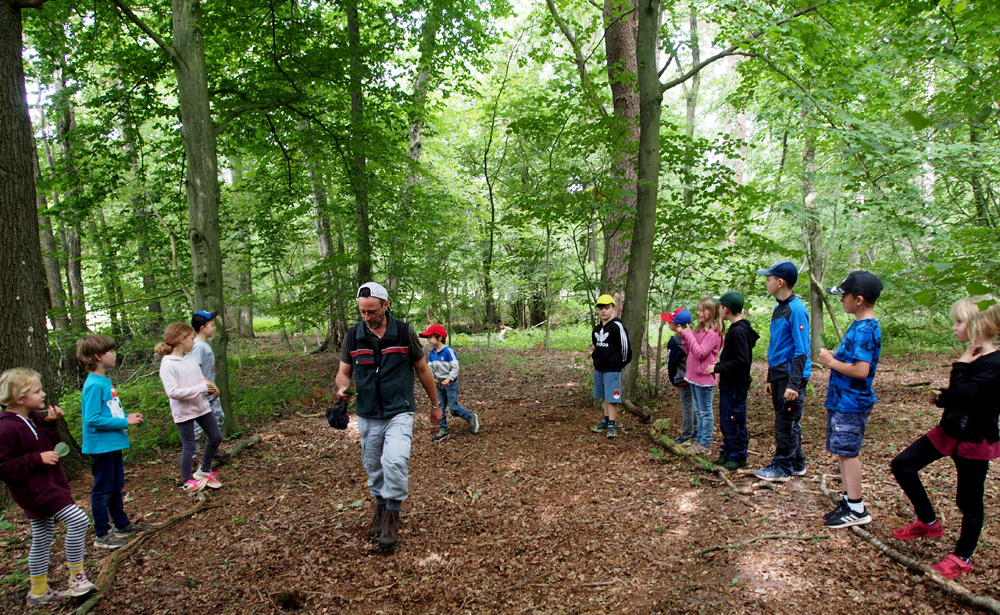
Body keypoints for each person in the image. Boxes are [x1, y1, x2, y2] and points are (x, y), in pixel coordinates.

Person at [890, 299, 1000, 578]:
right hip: (949, 432)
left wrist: (960, 365)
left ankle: (962, 556)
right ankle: (928, 522)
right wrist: (944, 399)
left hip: (974, 440)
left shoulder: (995, 363)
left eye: (960, 322)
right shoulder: (974, 357)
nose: (954, 327)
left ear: (982, 325)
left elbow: (970, 395)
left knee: (969, 501)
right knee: (902, 465)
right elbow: (963, 396)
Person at [336, 282, 442, 551]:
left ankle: (392, 516)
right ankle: (381, 507)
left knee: (394, 460)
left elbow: (423, 370)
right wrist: (342, 388)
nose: (367, 317)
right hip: (368, 413)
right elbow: (343, 372)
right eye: (362, 312)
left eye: (372, 311)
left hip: (399, 410)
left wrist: (435, 404)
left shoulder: (403, 332)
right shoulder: (352, 336)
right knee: (373, 465)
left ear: (385, 305)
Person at [0, 368, 98, 605]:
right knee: (79, 520)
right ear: (19, 397)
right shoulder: (6, 427)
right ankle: (77, 578)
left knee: (43, 536)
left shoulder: (32, 418)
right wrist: (37, 459)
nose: (43, 394)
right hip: (36, 491)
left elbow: (51, 448)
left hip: (50, 484)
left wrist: (52, 426)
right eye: (37, 391)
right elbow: (3, 466)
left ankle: (38, 591)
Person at [817, 272, 883, 528]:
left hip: (852, 402)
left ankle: (857, 507)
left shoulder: (867, 329)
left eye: (844, 296)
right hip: (842, 400)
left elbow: (862, 370)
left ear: (858, 299)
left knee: (848, 453)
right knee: (842, 452)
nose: (841, 300)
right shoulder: (859, 326)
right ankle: (848, 500)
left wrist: (832, 362)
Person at [77, 334, 148, 549]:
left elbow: (109, 411)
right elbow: (93, 419)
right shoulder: (94, 385)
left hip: (113, 443)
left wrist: (127, 417)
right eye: (110, 351)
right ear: (98, 356)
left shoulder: (104, 381)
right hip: (102, 445)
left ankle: (121, 525)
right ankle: (102, 533)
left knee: (116, 486)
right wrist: (123, 421)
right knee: (103, 488)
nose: (115, 354)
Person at [753, 261, 811, 482]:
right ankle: (797, 463)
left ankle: (782, 468)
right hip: (778, 373)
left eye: (769, 279)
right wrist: (770, 376)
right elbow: (776, 346)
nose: (766, 283)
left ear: (780, 282)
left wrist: (793, 384)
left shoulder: (797, 310)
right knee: (785, 419)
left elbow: (801, 350)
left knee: (785, 422)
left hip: (790, 376)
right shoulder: (779, 309)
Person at [155, 323, 223, 493]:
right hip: (183, 411)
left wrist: (209, 386)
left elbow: (199, 378)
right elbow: (173, 392)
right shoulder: (168, 364)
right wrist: (200, 389)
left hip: (201, 406)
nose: (194, 342)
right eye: (191, 338)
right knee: (189, 446)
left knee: (215, 436)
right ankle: (187, 481)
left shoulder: (191, 358)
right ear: (181, 340)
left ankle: (204, 471)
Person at [707, 292, 759, 471]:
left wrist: (718, 368)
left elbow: (741, 361)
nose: (719, 310)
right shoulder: (735, 329)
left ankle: (738, 456)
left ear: (726, 309)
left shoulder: (739, 331)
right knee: (726, 421)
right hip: (729, 385)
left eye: (720, 306)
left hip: (736, 385)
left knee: (734, 420)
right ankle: (728, 451)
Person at [679, 298, 725, 456]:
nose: (698, 313)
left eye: (702, 310)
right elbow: (690, 351)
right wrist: (685, 338)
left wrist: (689, 335)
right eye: (698, 310)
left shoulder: (713, 334)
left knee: (705, 412)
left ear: (712, 312)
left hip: (704, 378)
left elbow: (700, 353)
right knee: (698, 411)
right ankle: (698, 441)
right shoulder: (699, 330)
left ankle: (705, 444)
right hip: (693, 376)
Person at [420, 324, 480, 442]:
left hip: (450, 385)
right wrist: (432, 379)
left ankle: (471, 417)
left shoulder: (448, 351)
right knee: (439, 407)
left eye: (430, 337)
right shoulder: (432, 352)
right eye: (427, 338)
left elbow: (455, 367)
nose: (428, 340)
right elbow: (430, 368)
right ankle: (443, 430)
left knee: (453, 409)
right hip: (439, 385)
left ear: (439, 338)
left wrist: (449, 378)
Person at [189, 311, 231, 466]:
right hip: (201, 394)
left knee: (218, 419)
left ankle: (213, 452)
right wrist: (211, 386)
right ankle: (192, 460)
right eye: (212, 325)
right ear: (202, 328)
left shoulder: (204, 345)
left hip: (210, 394)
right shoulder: (197, 347)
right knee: (197, 429)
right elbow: (194, 371)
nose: (214, 328)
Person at [590, 294, 632, 439]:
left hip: (613, 368)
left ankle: (612, 423)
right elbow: (597, 346)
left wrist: (622, 362)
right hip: (600, 367)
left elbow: (625, 347)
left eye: (607, 308)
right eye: (601, 308)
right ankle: (606, 419)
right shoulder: (597, 329)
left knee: (612, 396)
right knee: (604, 395)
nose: (603, 311)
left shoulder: (617, 326)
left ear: (613, 308)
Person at [665, 308, 695, 444]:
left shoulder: (676, 342)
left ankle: (687, 435)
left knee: (687, 406)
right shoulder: (693, 337)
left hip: (683, 377)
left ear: (678, 326)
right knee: (693, 405)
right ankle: (694, 431)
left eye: (670, 322)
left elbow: (672, 363)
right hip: (692, 377)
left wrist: (673, 377)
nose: (668, 324)